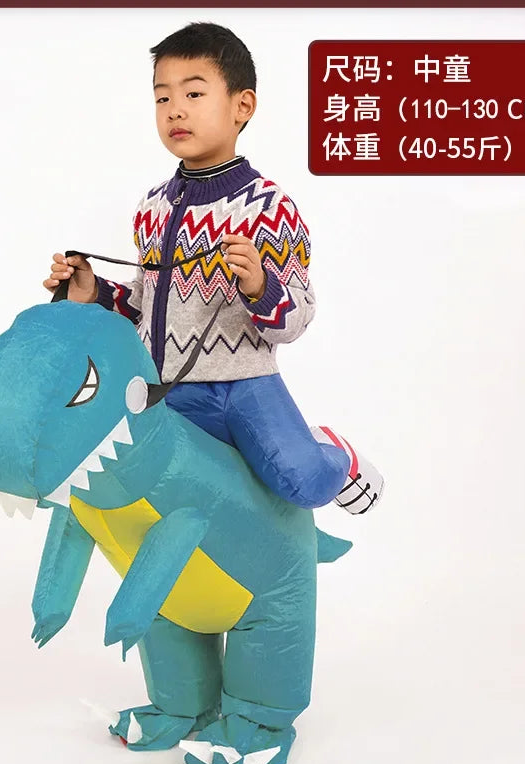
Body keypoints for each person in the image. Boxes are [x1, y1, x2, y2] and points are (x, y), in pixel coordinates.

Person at [43, 21, 351, 510]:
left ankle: (333, 452)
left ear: (242, 106)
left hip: (245, 387)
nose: (175, 110)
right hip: (167, 391)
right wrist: (93, 291)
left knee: (304, 483)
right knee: (139, 488)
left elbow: (296, 320)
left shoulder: (270, 208)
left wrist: (261, 287)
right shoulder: (152, 208)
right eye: (162, 98)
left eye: (193, 93)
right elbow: (144, 307)